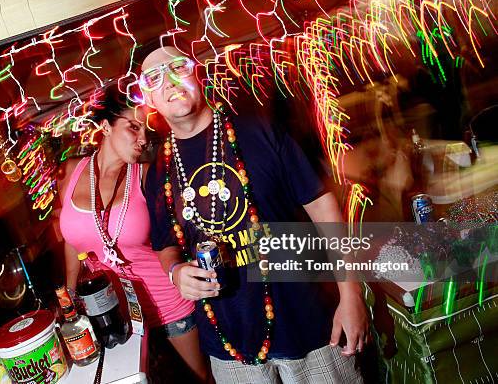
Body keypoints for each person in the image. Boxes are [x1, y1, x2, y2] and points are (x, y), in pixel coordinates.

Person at [140, 46, 370, 383]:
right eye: (155, 77)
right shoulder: (157, 171)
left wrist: (351, 295)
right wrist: (175, 271)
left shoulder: (258, 130)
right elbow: (165, 245)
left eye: (178, 66)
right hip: (229, 344)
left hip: (308, 327)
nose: (170, 80)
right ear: (148, 99)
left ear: (198, 73)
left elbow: (323, 208)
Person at [57, 83, 210, 382]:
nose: (142, 139)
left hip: (168, 305)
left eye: (145, 131)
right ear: (105, 126)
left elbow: (176, 233)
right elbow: (71, 241)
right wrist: (71, 297)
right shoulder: (71, 173)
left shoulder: (146, 175)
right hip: (113, 314)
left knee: (198, 379)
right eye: (133, 127)